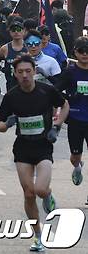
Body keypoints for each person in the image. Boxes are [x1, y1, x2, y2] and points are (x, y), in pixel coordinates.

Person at [0, 54, 69, 252]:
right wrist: (8, 123)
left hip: (44, 146)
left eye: (28, 71)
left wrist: (57, 126)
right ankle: (38, 236)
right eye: (20, 72)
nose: (25, 75)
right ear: (15, 74)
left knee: (40, 190)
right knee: (29, 193)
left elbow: (64, 105)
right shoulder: (11, 96)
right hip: (22, 148)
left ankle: (48, 195)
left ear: (35, 71)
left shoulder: (47, 91)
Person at [53, 36, 88, 202]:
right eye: (81, 51)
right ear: (75, 52)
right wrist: (71, 96)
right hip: (75, 118)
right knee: (75, 156)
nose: (85, 54)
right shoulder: (70, 72)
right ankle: (77, 166)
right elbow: (56, 91)